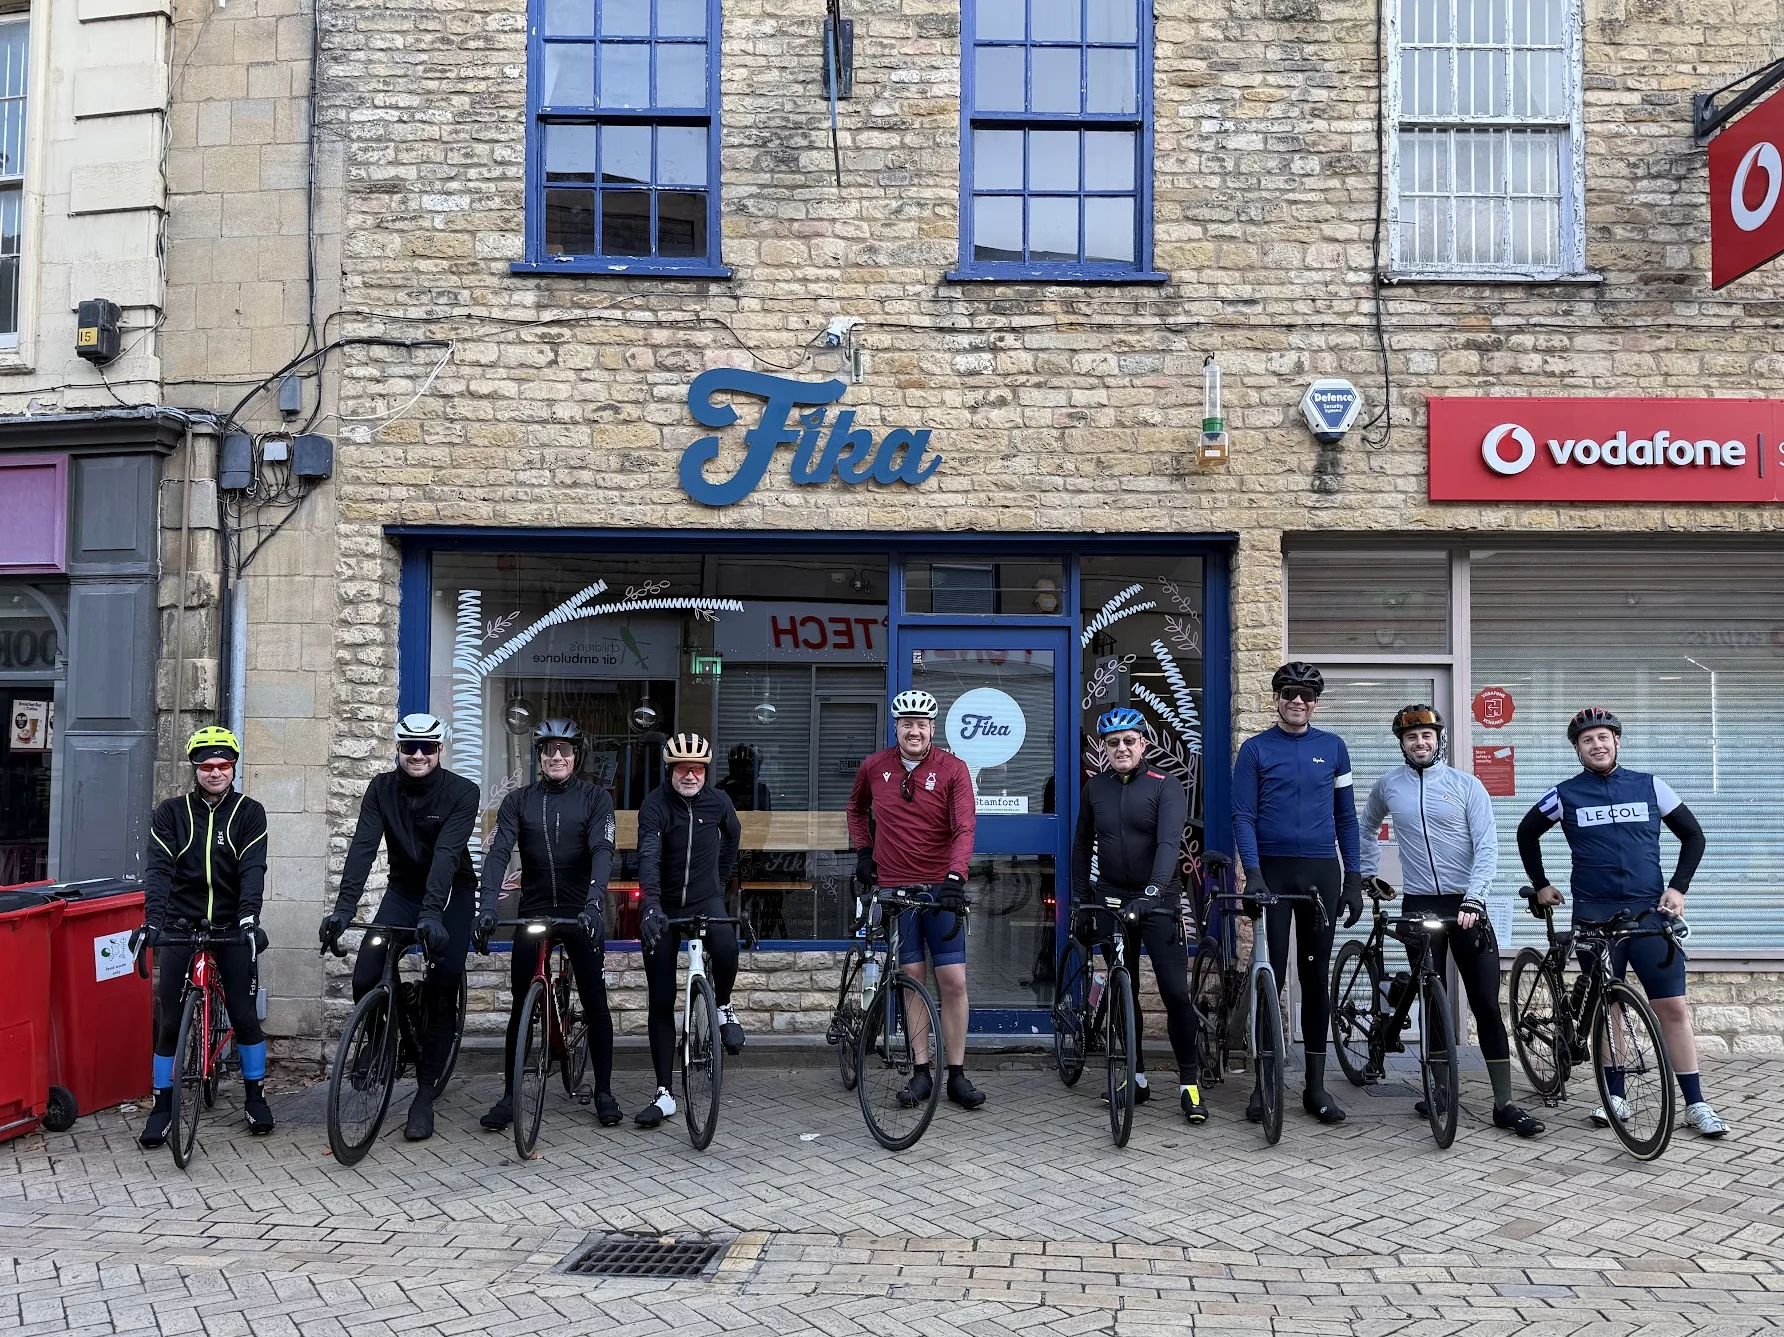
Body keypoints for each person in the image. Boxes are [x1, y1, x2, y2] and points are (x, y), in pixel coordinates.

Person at [1517, 706, 1728, 1137]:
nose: (1597, 745)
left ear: (1616, 741)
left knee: (1673, 1007)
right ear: (1577, 749)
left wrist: (1678, 889)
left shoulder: (1650, 786)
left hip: (1650, 913)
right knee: (1608, 1006)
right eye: (1587, 740)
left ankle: (1696, 1103)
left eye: (1603, 737)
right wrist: (1540, 884)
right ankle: (1615, 1097)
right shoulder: (1564, 794)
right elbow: (1526, 832)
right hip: (1594, 916)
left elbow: (1694, 835)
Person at [1360, 705, 1544, 1137]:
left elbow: (1487, 846)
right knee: (1433, 999)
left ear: (1438, 739)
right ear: (1402, 744)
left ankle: (1504, 1103)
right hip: (1419, 902)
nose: (1419, 743)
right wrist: (1370, 874)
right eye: (1411, 737)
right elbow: (1365, 827)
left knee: (1485, 1004)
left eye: (1427, 736)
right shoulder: (1389, 785)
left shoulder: (1466, 785)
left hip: (1466, 904)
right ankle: (1440, 1090)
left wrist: (1476, 898)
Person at [320, 712, 479, 1142]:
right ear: (398, 749)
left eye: (427, 747)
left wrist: (432, 914)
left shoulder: (462, 792)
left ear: (440, 750)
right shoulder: (381, 789)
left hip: (451, 893)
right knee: (366, 970)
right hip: (404, 892)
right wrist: (342, 910)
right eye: (410, 747)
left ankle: (424, 1096)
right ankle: (381, 1039)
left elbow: (447, 854)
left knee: (444, 984)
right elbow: (363, 847)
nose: (418, 755)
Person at [1231, 661, 1364, 1125]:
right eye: (1289, 693)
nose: (1298, 701)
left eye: (1307, 695)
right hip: (1272, 871)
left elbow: (1346, 818)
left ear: (1316, 703)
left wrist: (1353, 879)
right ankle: (1263, 1082)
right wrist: (1253, 873)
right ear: (1277, 698)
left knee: (1314, 978)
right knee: (1269, 976)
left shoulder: (1334, 748)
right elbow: (1243, 816)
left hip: (1321, 874)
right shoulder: (1255, 750)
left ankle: (1315, 1086)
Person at [473, 719, 621, 1131]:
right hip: (535, 909)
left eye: (565, 749)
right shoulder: (518, 801)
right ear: (538, 756)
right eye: (548, 749)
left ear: (577, 756)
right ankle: (509, 1096)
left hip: (580, 910)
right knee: (521, 1002)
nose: (557, 756)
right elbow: (499, 852)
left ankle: (604, 1092)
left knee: (595, 1001)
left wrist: (595, 903)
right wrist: (487, 906)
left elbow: (602, 850)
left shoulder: (595, 798)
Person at [846, 688, 984, 1111]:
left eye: (921, 724)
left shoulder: (953, 769)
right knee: (912, 975)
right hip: (895, 887)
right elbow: (855, 809)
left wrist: (956, 876)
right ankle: (921, 1071)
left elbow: (964, 827)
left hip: (940, 888)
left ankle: (956, 1074)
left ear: (932, 728)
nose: (914, 731)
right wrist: (864, 851)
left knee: (953, 980)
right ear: (896, 727)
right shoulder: (874, 766)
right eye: (907, 723)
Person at [135, 726, 273, 1145]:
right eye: (206, 765)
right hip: (180, 924)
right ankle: (162, 1106)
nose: (215, 772)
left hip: (231, 925)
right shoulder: (171, 812)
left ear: (233, 767)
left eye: (224, 765)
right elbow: (159, 870)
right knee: (170, 1020)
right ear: (194, 768)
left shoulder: (249, 812)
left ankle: (255, 1097)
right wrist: (153, 922)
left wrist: (248, 918)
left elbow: (253, 869)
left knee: (244, 1014)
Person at [1072, 707, 1206, 1124]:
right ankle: (1137, 1077)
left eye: (1129, 741)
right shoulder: (1096, 787)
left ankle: (1189, 1084)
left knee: (1175, 994)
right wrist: (1081, 901)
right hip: (1111, 897)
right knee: (1122, 989)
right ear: (1104, 748)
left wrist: (1151, 893)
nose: (1121, 748)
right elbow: (1082, 846)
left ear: (1143, 744)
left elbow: (1168, 844)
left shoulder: (1166, 785)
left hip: (1159, 898)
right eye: (1113, 743)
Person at [634, 732, 745, 1128]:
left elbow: (733, 837)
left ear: (706, 771)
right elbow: (648, 855)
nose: (690, 775)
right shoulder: (655, 805)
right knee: (661, 999)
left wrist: (721, 881)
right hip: (663, 905)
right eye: (683, 767)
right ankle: (664, 1093)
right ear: (670, 769)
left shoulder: (718, 802)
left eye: (697, 768)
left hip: (704, 898)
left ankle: (723, 1006)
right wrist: (650, 905)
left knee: (726, 947)